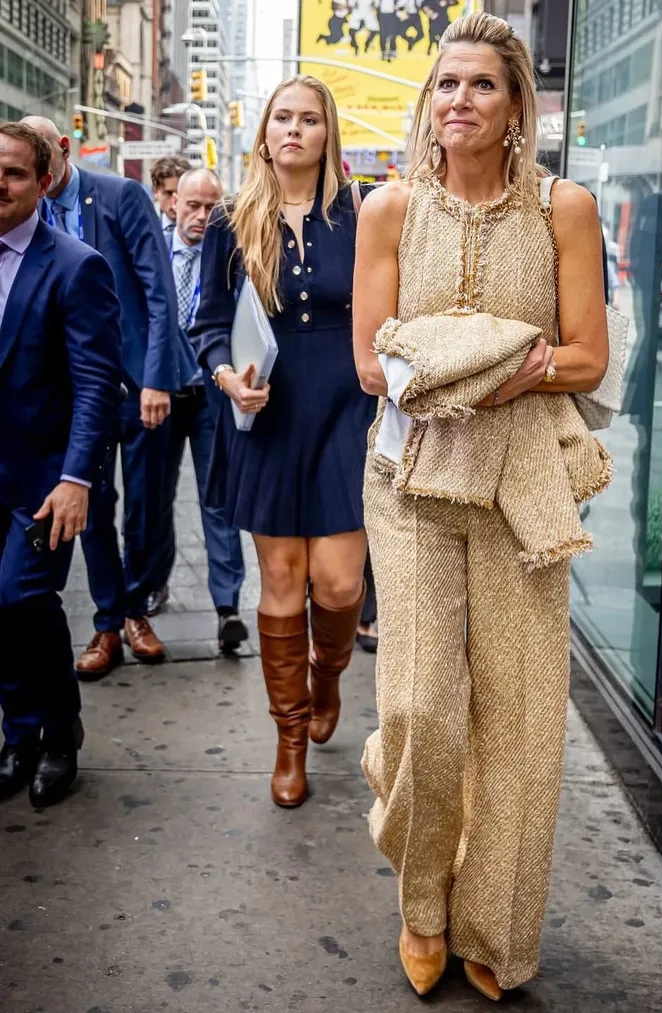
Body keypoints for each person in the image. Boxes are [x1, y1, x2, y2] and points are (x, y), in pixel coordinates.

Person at [353, 12, 608, 999]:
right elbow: (375, 361)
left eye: (481, 86)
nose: (458, 100)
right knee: (422, 708)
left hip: (519, 489)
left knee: (517, 719)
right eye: (445, 84)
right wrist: (507, 354)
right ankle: (422, 902)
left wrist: (461, 364)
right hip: (409, 482)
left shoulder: (563, 208)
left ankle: (488, 922)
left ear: (515, 108)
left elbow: (583, 355)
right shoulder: (389, 208)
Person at [192, 75, 376, 809]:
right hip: (264, 414)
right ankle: (289, 736)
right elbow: (206, 323)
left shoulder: (361, 214)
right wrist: (224, 376)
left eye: (309, 119)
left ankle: (326, 674)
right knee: (279, 580)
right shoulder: (233, 221)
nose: (294, 129)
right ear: (263, 133)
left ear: (328, 134)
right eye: (281, 118)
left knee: (337, 583)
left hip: (347, 411)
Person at [21, 117, 179, 678]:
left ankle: (139, 604)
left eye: (42, 162)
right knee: (93, 504)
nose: (34, 177)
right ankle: (111, 621)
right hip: (76, 392)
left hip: (138, 384)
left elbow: (159, 290)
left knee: (147, 506)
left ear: (63, 150)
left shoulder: (119, 195)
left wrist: (157, 378)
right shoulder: (23, 209)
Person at [0, 122, 121, 807]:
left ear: (44, 182)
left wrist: (76, 477)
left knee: (20, 599)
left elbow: (97, 382)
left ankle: (58, 729)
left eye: (15, 173)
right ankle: (18, 735)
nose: (0, 184)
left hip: (45, 481)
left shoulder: (76, 265)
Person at [149, 167, 248, 652]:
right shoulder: (151, 254)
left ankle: (228, 606)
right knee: (155, 497)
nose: (202, 216)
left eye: (212, 207)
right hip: (162, 396)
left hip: (212, 397)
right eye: (193, 205)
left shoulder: (232, 256)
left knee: (219, 501)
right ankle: (152, 583)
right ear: (174, 204)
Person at [151, 155, 192, 242]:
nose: (175, 202)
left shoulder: (204, 232)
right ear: (155, 192)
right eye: (168, 194)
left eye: (180, 193)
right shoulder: (146, 230)